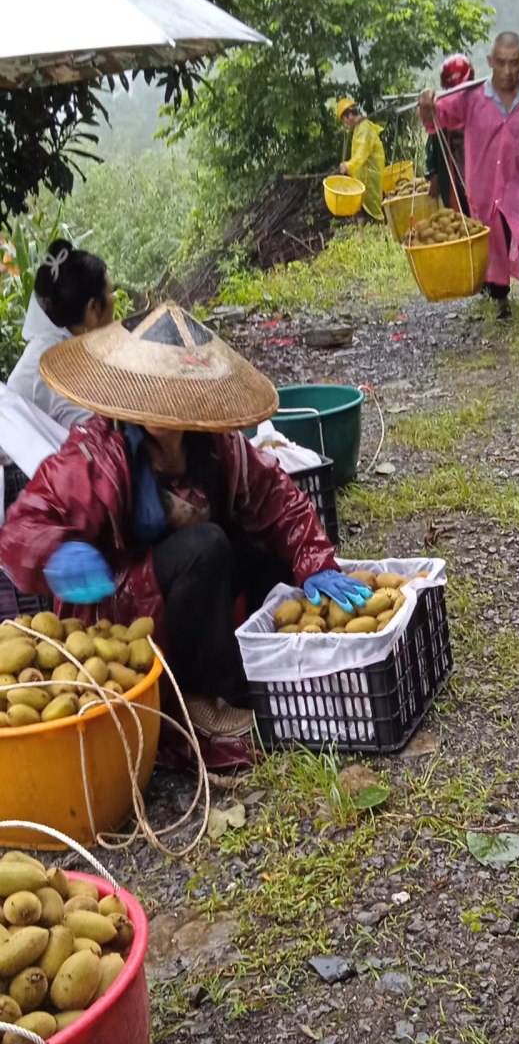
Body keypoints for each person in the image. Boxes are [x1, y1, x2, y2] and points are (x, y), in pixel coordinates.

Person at [0, 303, 372, 757]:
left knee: (268, 552)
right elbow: (23, 527)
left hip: (199, 598)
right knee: (206, 545)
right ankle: (194, 704)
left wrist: (315, 562)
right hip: (122, 612)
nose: (163, 400)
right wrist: (57, 554)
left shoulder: (216, 443)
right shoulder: (97, 451)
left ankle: (247, 677)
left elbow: (278, 498)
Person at [419, 32, 519, 330]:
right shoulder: (473, 98)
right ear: (490, 62)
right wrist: (428, 108)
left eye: (514, 63)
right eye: (500, 63)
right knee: (494, 244)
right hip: (486, 186)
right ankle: (500, 301)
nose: (507, 71)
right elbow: (441, 116)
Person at [7, 242, 114, 427]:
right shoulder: (58, 363)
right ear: (93, 308)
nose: (114, 299)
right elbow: (95, 435)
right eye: (110, 292)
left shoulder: (59, 344)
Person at [425, 54, 474, 214]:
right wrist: (433, 174)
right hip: (454, 181)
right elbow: (432, 145)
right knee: (460, 219)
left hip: (480, 181)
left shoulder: (482, 109)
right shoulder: (443, 112)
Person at [337, 97, 386, 223]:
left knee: (374, 211)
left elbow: (361, 154)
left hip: (370, 177)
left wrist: (349, 166)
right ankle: (362, 237)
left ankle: (382, 234)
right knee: (361, 210)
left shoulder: (364, 129)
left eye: (344, 120)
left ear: (349, 116)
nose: (345, 124)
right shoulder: (359, 128)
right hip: (363, 176)